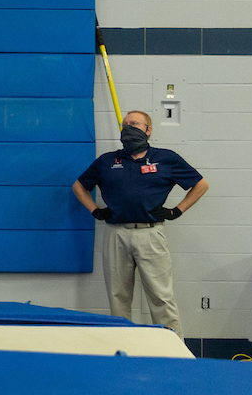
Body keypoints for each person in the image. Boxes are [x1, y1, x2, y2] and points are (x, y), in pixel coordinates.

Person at [72, 110, 209, 338]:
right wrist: (94, 210)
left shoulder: (166, 158)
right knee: (118, 298)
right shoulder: (108, 161)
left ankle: (173, 349)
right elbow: (79, 186)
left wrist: (177, 210)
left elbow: (201, 185)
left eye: (134, 124)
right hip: (117, 234)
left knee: (161, 297)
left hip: (150, 235)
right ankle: (126, 347)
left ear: (148, 129)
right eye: (125, 125)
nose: (129, 128)